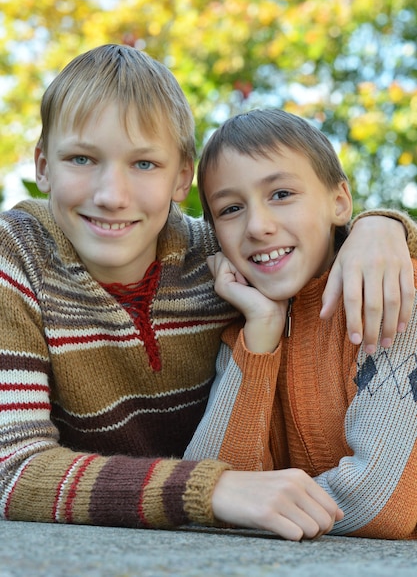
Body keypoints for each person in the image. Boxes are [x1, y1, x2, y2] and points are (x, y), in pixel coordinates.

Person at [0, 46, 415, 532]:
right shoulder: (18, 258)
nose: (111, 195)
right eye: (81, 158)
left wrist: (384, 227)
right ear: (43, 166)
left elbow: (316, 228)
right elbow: (11, 469)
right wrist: (207, 489)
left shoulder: (220, 258)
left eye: (144, 164)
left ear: (181, 179)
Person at [184, 107, 417, 540]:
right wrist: (261, 333)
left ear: (339, 201)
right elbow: (208, 482)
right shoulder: (250, 328)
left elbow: (381, 502)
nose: (258, 225)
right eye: (231, 208)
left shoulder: (394, 290)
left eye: (281, 194)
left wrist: (254, 507)